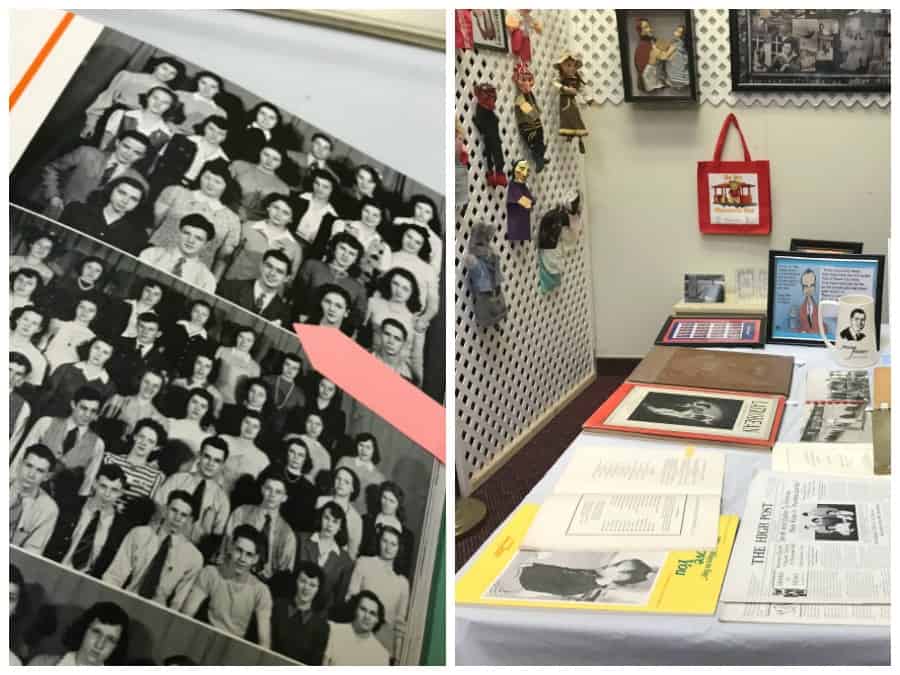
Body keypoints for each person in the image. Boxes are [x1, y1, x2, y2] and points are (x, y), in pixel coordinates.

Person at [103, 489, 203, 610]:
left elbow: (178, 603)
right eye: (174, 510)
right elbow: (115, 575)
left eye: (183, 515)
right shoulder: (139, 534)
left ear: (190, 520)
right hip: (126, 600)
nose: (177, 518)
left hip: (158, 612)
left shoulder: (194, 558)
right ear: (165, 510)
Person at [182, 524, 273, 647]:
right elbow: (187, 614)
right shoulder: (210, 573)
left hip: (236, 650)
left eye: (249, 554)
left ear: (255, 559)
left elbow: (264, 642)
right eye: (239, 550)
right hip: (203, 640)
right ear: (230, 547)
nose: (242, 558)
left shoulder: (261, 591)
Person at [150, 158, 242, 271]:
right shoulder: (176, 193)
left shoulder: (232, 219)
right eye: (207, 177)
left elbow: (222, 258)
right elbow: (153, 225)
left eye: (217, 181)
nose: (210, 184)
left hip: (195, 272)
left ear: (226, 186)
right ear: (200, 176)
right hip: (155, 257)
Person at [37, 130, 151, 218]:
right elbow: (51, 169)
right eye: (126, 146)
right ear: (117, 142)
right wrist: (53, 196)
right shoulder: (87, 153)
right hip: (59, 212)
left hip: (92, 228)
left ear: (142, 157)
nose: (129, 154)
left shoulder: (140, 183)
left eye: (136, 152)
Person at [80, 55, 184, 140]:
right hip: (114, 117)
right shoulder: (128, 77)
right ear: (155, 66)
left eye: (172, 73)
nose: (166, 74)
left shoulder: (170, 94)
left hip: (141, 126)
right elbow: (106, 99)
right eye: (164, 68)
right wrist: (91, 122)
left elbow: (166, 117)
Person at [154, 435, 231, 546]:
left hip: (193, 551)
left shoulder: (222, 500)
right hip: (161, 541)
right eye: (207, 457)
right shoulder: (177, 480)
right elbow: (157, 511)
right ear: (199, 455)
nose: (210, 464)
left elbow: (215, 539)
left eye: (217, 460)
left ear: (222, 464)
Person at [55, 463, 130, 577]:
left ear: (121, 493)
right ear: (95, 483)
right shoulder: (71, 506)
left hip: (87, 581)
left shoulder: (121, 527)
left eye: (114, 490)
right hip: (57, 567)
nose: (107, 494)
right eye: (103, 486)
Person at [347, 525, 410, 661]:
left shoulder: (402, 583)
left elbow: (400, 623)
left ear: (399, 548)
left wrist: (397, 658)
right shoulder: (364, 563)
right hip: (357, 633)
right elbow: (350, 598)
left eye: (393, 544)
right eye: (385, 541)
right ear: (378, 541)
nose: (388, 547)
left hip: (383, 642)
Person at [220, 472, 296, 580]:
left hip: (265, 585)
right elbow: (225, 548)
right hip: (232, 575)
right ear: (262, 489)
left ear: (284, 498)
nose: (272, 495)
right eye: (268, 488)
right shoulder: (241, 512)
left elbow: (285, 574)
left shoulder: (287, 533)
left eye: (278, 492)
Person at [16, 386, 105, 476]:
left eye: (93, 411)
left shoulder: (98, 444)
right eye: (83, 408)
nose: (87, 415)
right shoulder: (46, 423)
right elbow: (21, 457)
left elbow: (88, 480)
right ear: (73, 404)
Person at [80, 418, 168, 507]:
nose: (144, 443)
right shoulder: (109, 459)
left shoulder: (156, 476)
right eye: (141, 437)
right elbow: (90, 488)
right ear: (135, 436)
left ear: (156, 447)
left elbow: (146, 508)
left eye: (150, 441)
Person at [292, 233, 368, 332]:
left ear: (355, 259)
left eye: (351, 253)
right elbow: (296, 294)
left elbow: (357, 318)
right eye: (342, 249)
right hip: (301, 322)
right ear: (333, 248)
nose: (345, 255)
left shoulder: (358, 288)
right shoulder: (312, 266)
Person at [59, 175, 151, 256]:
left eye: (133, 199)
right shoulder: (76, 210)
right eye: (122, 193)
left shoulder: (138, 236)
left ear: (138, 205)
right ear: (111, 190)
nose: (125, 201)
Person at [222, 193, 302, 283]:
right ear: (268, 208)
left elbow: (289, 280)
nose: (278, 214)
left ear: (291, 219)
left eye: (285, 213)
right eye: (276, 208)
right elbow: (226, 257)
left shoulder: (295, 248)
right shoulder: (247, 227)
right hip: (235, 283)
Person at [35, 336, 117, 419]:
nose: (98, 354)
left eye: (105, 352)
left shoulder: (109, 385)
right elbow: (43, 399)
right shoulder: (66, 369)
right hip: (49, 420)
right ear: (89, 347)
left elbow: (96, 416)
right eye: (96, 348)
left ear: (110, 358)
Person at [28, 601, 130, 666]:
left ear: (117, 647)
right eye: (96, 632)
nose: (99, 645)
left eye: (110, 640)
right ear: (83, 630)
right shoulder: (40, 664)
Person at [296, 502, 354, 612]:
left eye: (335, 522)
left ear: (340, 527)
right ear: (320, 518)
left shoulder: (346, 561)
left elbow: (338, 599)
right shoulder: (301, 540)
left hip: (320, 615)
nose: (329, 525)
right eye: (326, 518)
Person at [140, 213, 218, 293]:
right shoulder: (151, 254)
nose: (190, 240)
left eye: (198, 238)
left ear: (206, 244)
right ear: (178, 233)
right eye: (187, 233)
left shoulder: (207, 279)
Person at [271, 561, 330, 665]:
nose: (306, 588)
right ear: (295, 581)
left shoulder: (322, 627)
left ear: (318, 590)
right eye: (303, 581)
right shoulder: (278, 607)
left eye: (312, 585)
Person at [152, 114, 230, 192]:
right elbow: (160, 163)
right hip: (165, 183)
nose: (214, 135)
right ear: (204, 127)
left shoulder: (224, 161)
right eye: (211, 129)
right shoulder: (181, 140)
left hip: (193, 193)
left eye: (220, 133)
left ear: (225, 137)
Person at [518, 558, 656, 601]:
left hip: (522, 579)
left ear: (619, 579)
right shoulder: (592, 572)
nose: (612, 567)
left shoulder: (586, 583)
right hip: (526, 569)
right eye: (617, 564)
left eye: (618, 569)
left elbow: (561, 583)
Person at [217, 249, 293, 325]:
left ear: (286, 278)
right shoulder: (230, 287)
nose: (272, 273)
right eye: (269, 266)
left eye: (279, 271)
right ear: (261, 266)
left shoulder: (284, 314)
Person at [100, 85, 178, 159]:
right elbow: (105, 141)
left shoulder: (167, 134)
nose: (158, 104)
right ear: (147, 97)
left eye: (165, 102)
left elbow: (154, 160)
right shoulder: (122, 114)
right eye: (155, 98)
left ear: (170, 107)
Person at [9, 444, 59, 554]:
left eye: (40, 471)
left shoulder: (49, 509)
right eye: (28, 465)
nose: (31, 474)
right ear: (20, 464)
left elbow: (31, 553)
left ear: (47, 476)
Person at [106, 312, 170, 396]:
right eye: (141, 326)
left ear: (158, 334)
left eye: (151, 329)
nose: (144, 332)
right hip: (107, 391)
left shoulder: (161, 360)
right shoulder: (119, 343)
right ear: (136, 326)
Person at [360, 482, 414, 576]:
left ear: (398, 505)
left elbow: (403, 569)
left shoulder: (407, 536)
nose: (386, 503)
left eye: (391, 501)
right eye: (384, 498)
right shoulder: (366, 521)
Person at [98, 369, 167, 444]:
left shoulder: (160, 419)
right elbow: (98, 427)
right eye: (146, 382)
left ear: (160, 390)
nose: (149, 387)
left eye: (155, 386)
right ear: (140, 381)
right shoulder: (117, 401)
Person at [323, 590, 390, 665]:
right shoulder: (333, 630)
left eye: (372, 613)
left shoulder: (381, 655)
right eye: (363, 609)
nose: (367, 616)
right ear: (355, 609)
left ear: (377, 620)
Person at [383, 194, 443, 278]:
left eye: (427, 211)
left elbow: (435, 268)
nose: (421, 213)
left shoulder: (435, 240)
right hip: (389, 262)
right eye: (419, 208)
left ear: (432, 216)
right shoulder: (399, 221)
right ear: (413, 207)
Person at [267, 436, 319, 533]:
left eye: (301, 455)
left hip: (289, 533)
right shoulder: (272, 472)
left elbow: (305, 522)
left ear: (305, 459)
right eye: (292, 452)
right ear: (286, 453)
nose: (296, 457)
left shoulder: (309, 488)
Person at [366, 267, 420, 356]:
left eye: (405, 289)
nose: (399, 291)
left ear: (412, 293)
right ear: (389, 282)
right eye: (395, 284)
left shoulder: (412, 318)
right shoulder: (373, 303)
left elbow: (413, 352)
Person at [229, 144, 291, 222]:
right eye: (266, 155)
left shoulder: (283, 188)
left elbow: (273, 215)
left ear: (281, 163)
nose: (269, 161)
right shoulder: (239, 165)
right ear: (260, 152)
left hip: (254, 224)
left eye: (275, 159)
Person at [39, 296, 99, 374]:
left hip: (64, 375)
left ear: (96, 314)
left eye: (91, 310)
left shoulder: (92, 338)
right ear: (76, 307)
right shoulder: (58, 323)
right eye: (82, 307)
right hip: (43, 366)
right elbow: (42, 344)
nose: (84, 312)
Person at [161, 299, 216, 379]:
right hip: (161, 370)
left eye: (204, 314)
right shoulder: (174, 326)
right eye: (196, 311)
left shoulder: (209, 343)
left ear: (208, 318)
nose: (199, 316)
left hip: (184, 379)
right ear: (190, 311)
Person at [219, 410, 270, 495]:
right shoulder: (224, 439)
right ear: (241, 423)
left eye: (255, 426)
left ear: (260, 430)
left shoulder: (263, 458)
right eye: (247, 422)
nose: (249, 428)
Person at [316, 466, 363, 559]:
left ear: (352, 488)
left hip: (336, 560)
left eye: (346, 482)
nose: (341, 483)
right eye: (338, 479)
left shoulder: (356, 518)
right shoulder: (321, 501)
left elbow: (352, 552)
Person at [42, 255, 106, 321]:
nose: (92, 272)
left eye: (97, 270)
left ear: (101, 274)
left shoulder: (98, 297)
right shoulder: (62, 282)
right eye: (89, 267)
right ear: (82, 266)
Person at [293, 168, 339, 257]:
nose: (319, 189)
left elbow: (322, 248)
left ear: (332, 190)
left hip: (307, 254)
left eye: (325, 187)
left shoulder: (332, 216)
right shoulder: (300, 198)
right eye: (317, 183)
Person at [99, 278, 164, 340]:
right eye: (148, 291)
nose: (150, 296)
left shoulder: (155, 319)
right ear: (141, 290)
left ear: (160, 298)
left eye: (156, 294)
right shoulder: (122, 303)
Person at [261, 352, 306, 441]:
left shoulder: (300, 395)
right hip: (258, 422)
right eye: (287, 365)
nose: (290, 370)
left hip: (279, 434)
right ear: (282, 364)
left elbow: (296, 422)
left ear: (298, 371)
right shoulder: (267, 380)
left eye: (294, 368)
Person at [336, 433, 386, 512]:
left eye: (368, 447)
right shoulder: (345, 461)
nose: (364, 450)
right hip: (338, 507)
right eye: (361, 445)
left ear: (374, 450)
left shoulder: (379, 478)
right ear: (356, 446)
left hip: (360, 515)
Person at [223, 100, 283, 164]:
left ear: (277, 122)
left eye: (271, 118)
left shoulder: (277, 141)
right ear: (256, 113)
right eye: (263, 113)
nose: (266, 119)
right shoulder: (240, 125)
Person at [168, 350, 224, 417]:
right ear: (193, 363)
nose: (201, 369)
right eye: (199, 363)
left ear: (212, 369)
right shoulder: (177, 382)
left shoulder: (216, 396)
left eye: (207, 366)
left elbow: (213, 420)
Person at [214, 327, 261, 405]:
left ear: (254, 343)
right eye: (241, 337)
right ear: (236, 337)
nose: (243, 342)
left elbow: (251, 391)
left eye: (249, 340)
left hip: (234, 403)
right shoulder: (222, 350)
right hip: (214, 394)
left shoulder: (255, 367)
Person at [166, 388, 217, 459]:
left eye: (203, 406)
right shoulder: (170, 422)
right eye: (194, 402)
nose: (197, 408)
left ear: (207, 411)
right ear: (187, 402)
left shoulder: (206, 437)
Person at [10, 306, 49, 386]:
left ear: (39, 329)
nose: (27, 325)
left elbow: (29, 389)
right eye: (25, 319)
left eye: (34, 323)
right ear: (18, 320)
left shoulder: (38, 359)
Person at [287, 415, 331, 484]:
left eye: (318, 424)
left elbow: (323, 481)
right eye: (310, 421)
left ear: (323, 428)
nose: (313, 427)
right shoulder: (291, 438)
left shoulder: (325, 455)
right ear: (304, 422)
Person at [10, 352, 32, 451]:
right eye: (9, 369)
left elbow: (13, 441)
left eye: (18, 374)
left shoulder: (23, 407)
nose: (11, 376)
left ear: (22, 380)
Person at [798, 268, 819, 333]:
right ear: (802, 288)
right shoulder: (801, 308)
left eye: (812, 285)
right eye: (805, 286)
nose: (809, 289)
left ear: (815, 286)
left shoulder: (820, 307)